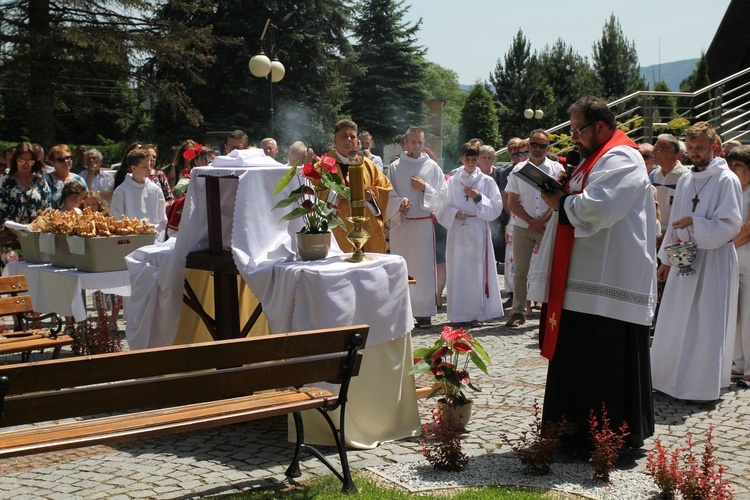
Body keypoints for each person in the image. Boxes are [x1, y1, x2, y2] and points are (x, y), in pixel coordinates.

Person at [531, 96, 657, 455]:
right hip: (583, 281)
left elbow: (600, 208)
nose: (574, 137)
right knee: (579, 360)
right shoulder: (594, 158)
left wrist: (561, 202)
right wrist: (563, 188)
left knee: (604, 363)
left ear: (600, 126)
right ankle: (575, 433)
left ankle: (608, 440)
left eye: (578, 130)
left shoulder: (622, 157)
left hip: (610, 282)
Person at [651, 121, 742, 403]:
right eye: (690, 148)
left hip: (713, 259)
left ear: (714, 146)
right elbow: (673, 223)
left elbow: (731, 223)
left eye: (700, 147)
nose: (694, 153)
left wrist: (697, 223)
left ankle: (700, 387)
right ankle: (668, 379)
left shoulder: (726, 180)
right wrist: (666, 259)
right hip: (684, 259)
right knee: (676, 318)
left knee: (706, 322)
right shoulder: (688, 178)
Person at [436, 142, 503, 327]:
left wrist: (478, 197)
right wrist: (454, 213)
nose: (471, 162)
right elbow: (442, 205)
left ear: (479, 159)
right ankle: (458, 314)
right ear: (461, 159)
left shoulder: (487, 181)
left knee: (476, 272)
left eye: (475, 159)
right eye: (468, 159)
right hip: (458, 230)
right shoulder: (452, 181)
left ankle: (475, 314)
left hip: (477, 228)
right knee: (458, 271)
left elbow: (497, 206)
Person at [387, 126, 447, 328]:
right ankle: (401, 312)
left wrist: (425, 189)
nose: (417, 145)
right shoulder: (395, 167)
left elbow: (443, 196)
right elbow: (388, 193)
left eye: (420, 142)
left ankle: (423, 314)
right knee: (402, 269)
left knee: (422, 271)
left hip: (422, 226)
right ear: (405, 143)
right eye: (413, 141)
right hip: (402, 226)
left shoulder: (432, 167)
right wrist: (399, 203)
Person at [505, 130, 564, 327]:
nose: (538, 149)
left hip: (548, 224)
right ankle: (518, 311)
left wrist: (541, 220)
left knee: (552, 269)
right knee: (520, 271)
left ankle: (552, 311)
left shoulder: (556, 168)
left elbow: (559, 199)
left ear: (548, 147)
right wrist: (531, 221)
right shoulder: (518, 170)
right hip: (523, 225)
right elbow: (512, 202)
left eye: (542, 145)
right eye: (534, 145)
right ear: (528, 146)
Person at [315, 119, 392, 253]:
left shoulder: (368, 164)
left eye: (353, 137)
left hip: (367, 227)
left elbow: (386, 188)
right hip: (339, 230)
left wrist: (371, 197)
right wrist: (335, 195)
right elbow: (314, 194)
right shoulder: (322, 167)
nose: (349, 140)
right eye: (344, 136)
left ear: (357, 141)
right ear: (335, 140)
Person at [83, 191, 124, 332]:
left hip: (108, 256)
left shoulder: (106, 218)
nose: (91, 206)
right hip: (93, 259)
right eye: (87, 203)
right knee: (98, 291)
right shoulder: (80, 219)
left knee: (116, 291)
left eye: (93, 204)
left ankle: (113, 320)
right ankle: (101, 320)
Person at [727, 145, 750, 385]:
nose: (733, 170)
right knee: (735, 312)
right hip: (734, 256)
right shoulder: (734, 191)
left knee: (749, 312)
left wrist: (727, 246)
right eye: (730, 166)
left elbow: (748, 229)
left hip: (747, 257)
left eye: (738, 166)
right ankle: (738, 362)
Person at [111, 148, 167, 243]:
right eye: (145, 167)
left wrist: (158, 239)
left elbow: (162, 219)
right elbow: (117, 219)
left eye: (149, 165)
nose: (149, 169)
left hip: (154, 240)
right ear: (133, 168)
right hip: (131, 241)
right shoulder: (121, 191)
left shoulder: (155, 189)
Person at [650, 134, 689, 249]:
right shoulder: (653, 175)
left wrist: (667, 235)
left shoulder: (685, 176)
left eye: (657, 149)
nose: (653, 152)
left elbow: (686, 211)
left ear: (670, 152)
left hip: (676, 239)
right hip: (654, 236)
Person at [0, 142, 52, 227]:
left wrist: (34, 228)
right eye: (22, 161)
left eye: (30, 161)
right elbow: (2, 212)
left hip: (35, 234)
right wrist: (19, 230)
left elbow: (47, 210)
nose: (26, 164)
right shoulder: (7, 183)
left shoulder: (40, 183)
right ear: (16, 160)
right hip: (12, 234)